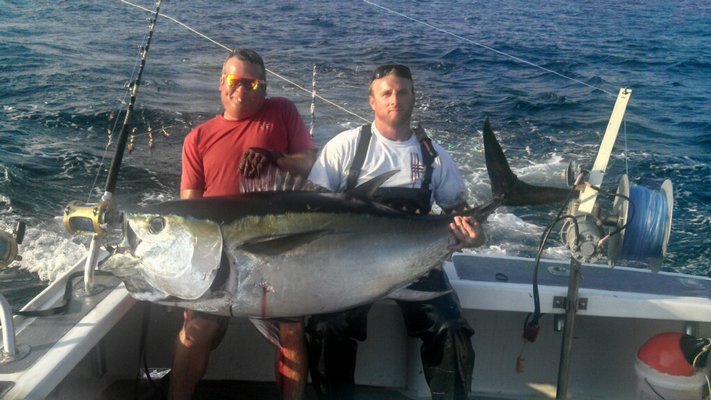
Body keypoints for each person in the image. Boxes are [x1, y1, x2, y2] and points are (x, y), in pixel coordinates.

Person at [305, 64, 484, 400]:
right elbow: (312, 208)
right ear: (372, 101)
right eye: (386, 93)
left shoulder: (435, 156)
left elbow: (458, 213)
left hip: (417, 264)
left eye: (403, 91)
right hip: (350, 265)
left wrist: (473, 235)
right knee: (328, 327)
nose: (395, 99)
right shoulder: (346, 146)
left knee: (450, 327)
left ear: (414, 97)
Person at [173, 48, 316, 400]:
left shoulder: (281, 111)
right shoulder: (198, 138)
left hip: (276, 251)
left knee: (293, 332)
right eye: (237, 81)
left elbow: (309, 162)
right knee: (196, 330)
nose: (244, 89)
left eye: (254, 83)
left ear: (265, 88)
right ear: (222, 84)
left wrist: (275, 158)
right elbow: (190, 208)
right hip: (217, 255)